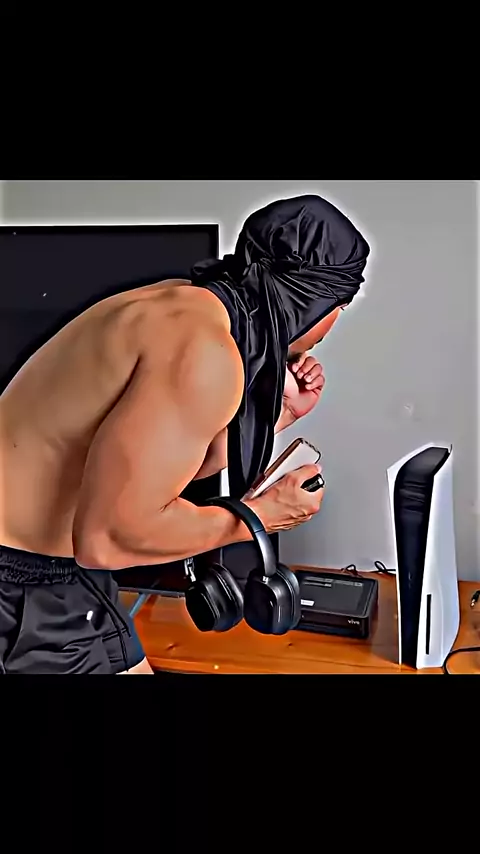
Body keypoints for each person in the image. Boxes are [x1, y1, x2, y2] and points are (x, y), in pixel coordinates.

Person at [0, 195, 370, 674]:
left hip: (56, 571)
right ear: (312, 299)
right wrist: (259, 518)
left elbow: (149, 473)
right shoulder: (204, 353)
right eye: (341, 304)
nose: (334, 323)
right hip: (22, 584)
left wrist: (276, 416)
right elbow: (108, 538)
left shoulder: (182, 304)